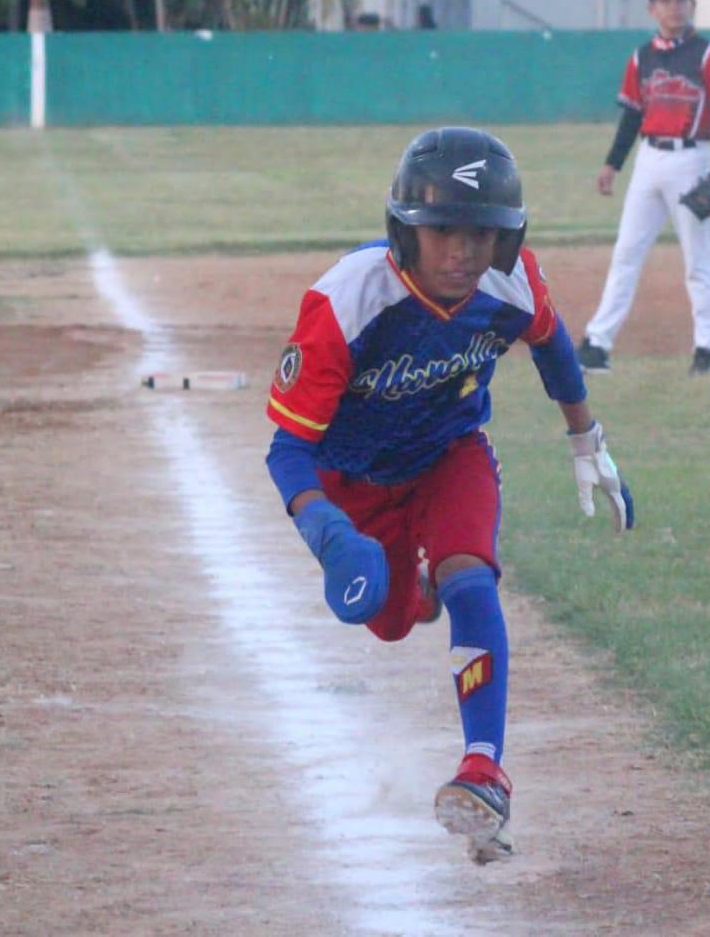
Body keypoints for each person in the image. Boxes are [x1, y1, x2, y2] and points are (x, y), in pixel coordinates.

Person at [264, 127, 635, 864]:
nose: (463, 252)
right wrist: (331, 536)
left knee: (473, 574)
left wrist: (585, 439)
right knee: (389, 617)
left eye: (481, 234)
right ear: (406, 231)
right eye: (442, 232)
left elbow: (554, 344)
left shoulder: (508, 281)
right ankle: (417, 583)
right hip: (354, 482)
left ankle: (484, 770)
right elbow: (287, 451)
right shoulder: (347, 301)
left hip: (449, 453)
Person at [576, 0, 710, 377]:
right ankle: (598, 343)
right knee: (627, 253)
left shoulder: (706, 53)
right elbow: (632, 116)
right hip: (649, 161)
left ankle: (707, 349)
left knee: (697, 261)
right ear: (652, 8)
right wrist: (613, 164)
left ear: (692, 5)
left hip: (692, 159)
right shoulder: (641, 57)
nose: (674, 7)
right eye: (665, 0)